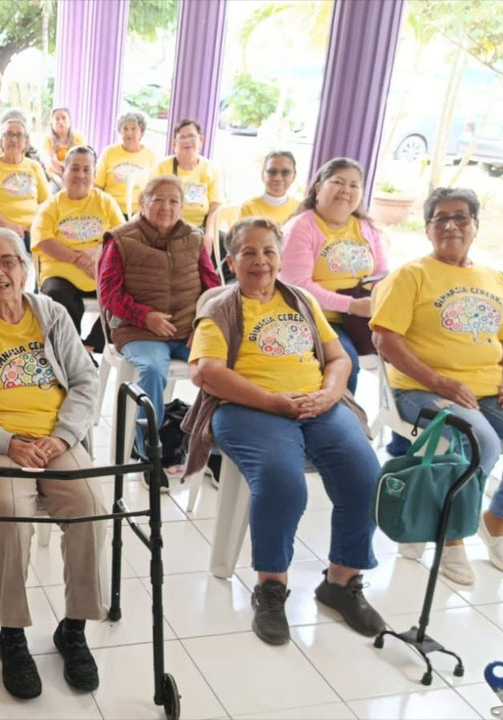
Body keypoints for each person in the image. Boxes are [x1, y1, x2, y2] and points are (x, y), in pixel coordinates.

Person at [181, 217, 386, 646]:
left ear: (280, 257)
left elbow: (338, 358)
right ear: (231, 262)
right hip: (247, 408)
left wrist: (330, 394)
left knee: (366, 476)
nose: (260, 261)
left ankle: (342, 581)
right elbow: (208, 373)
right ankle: (271, 588)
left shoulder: (301, 300)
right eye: (249, 253)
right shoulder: (219, 309)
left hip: (316, 404)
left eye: (268, 252)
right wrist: (272, 402)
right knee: (282, 482)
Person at [0, 228, 106, 700]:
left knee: (91, 504)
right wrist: (7, 442)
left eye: (7, 261)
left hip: (55, 437)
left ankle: (73, 627)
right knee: (10, 512)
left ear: (25, 269)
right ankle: (12, 633)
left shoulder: (51, 314)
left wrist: (62, 436)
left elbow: (86, 382)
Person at [371, 187, 503, 585]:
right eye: (440, 218)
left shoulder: (491, 277)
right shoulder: (411, 275)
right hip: (421, 390)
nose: (450, 225)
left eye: (460, 217)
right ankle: (451, 533)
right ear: (427, 229)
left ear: (475, 225)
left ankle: (496, 521)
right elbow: (384, 339)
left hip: (489, 390)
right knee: (480, 443)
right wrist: (439, 381)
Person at [98, 176, 220, 460]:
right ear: (142, 203)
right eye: (158, 200)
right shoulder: (121, 239)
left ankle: (212, 446)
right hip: (139, 331)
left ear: (182, 206)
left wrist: (203, 325)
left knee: (224, 363)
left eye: (174, 200)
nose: (167, 206)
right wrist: (145, 317)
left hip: (188, 329)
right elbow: (109, 294)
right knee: (153, 369)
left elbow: (213, 288)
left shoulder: (194, 237)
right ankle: (147, 449)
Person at [279, 157, 388, 396]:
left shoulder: (366, 227)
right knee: (346, 362)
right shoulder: (302, 227)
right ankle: (338, 413)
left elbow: (383, 275)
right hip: (317, 318)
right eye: (338, 182)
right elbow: (297, 286)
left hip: (363, 318)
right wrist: (351, 305)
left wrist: (374, 303)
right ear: (318, 187)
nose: (346, 190)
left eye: (354, 185)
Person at [32, 146, 123, 352]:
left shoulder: (105, 202)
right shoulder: (51, 206)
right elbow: (44, 241)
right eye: (74, 168)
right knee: (57, 295)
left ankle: (90, 346)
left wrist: (99, 253)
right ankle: (70, 350)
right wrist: (78, 259)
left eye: (86, 169)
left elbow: (122, 237)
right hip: (61, 274)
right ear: (64, 171)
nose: (80, 175)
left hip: (100, 272)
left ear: (94, 174)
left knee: (128, 292)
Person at [0, 115, 49, 253]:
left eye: (19, 135)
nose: (14, 139)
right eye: (9, 134)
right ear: (1, 140)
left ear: (25, 142)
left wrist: (34, 224)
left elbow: (46, 202)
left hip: (31, 231)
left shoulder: (34, 167)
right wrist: (8, 225)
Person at [154, 119, 221, 244]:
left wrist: (209, 236)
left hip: (199, 229)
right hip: (168, 229)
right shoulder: (163, 167)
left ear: (201, 140)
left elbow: (214, 209)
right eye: (182, 138)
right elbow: (152, 203)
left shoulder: (210, 169)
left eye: (191, 136)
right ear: (174, 144)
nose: (187, 141)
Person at [95, 111, 157, 218]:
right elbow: (97, 186)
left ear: (142, 132)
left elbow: (154, 189)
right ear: (120, 132)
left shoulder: (151, 155)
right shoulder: (109, 152)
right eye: (125, 129)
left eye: (133, 128)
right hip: (110, 209)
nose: (129, 133)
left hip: (138, 213)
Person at [238, 150, 301, 226]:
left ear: (293, 177)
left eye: (285, 172)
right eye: (272, 172)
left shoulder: (300, 209)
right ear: (263, 175)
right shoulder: (249, 208)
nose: (278, 178)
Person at [41, 107, 86, 185]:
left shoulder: (78, 138)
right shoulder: (48, 140)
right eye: (57, 119)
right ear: (51, 123)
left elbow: (80, 160)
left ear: (70, 121)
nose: (61, 122)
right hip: (55, 175)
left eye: (64, 118)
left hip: (75, 173)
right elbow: (53, 162)